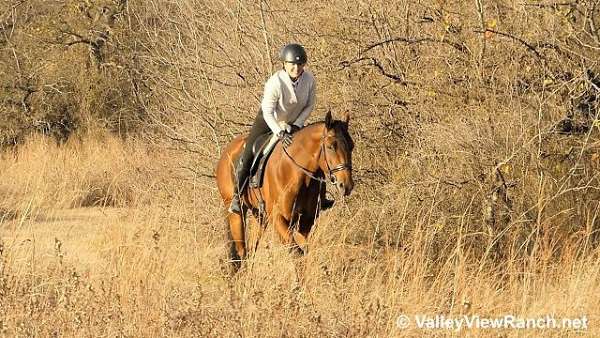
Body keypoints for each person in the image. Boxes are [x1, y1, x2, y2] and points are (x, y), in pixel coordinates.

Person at [229, 43, 318, 214]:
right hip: (268, 121)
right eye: (292, 64)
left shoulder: (309, 80)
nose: (296, 68)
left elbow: (309, 105)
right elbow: (268, 111)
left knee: (312, 153)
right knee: (248, 154)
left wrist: (297, 125)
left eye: (300, 64)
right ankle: (237, 197)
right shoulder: (275, 82)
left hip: (294, 123)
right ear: (284, 64)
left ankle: (320, 196)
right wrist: (279, 132)